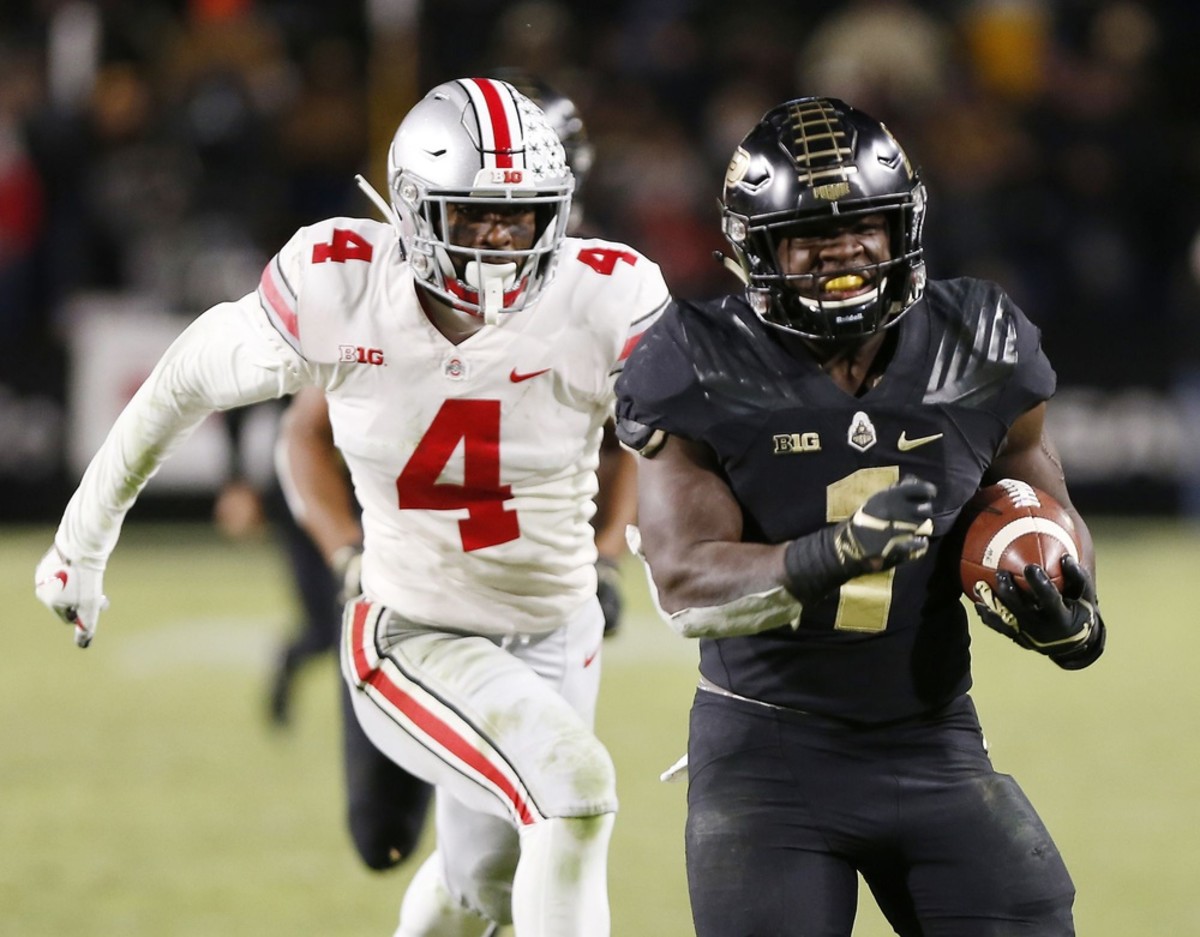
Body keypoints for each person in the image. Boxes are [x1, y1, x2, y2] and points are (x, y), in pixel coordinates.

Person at [35, 77, 670, 937]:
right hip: (415, 626)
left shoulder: (604, 293)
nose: (497, 240)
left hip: (556, 626)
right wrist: (83, 539)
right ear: (410, 210)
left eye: (519, 217)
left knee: (481, 883)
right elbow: (186, 376)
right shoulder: (344, 284)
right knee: (576, 790)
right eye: (472, 214)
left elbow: (696, 432)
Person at [615, 95, 1106, 937]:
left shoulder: (979, 342)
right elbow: (687, 581)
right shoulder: (695, 358)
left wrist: (1069, 606)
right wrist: (835, 551)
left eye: (864, 225)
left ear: (902, 228)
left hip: (933, 738)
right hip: (769, 755)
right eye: (809, 233)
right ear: (753, 247)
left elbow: (1041, 499)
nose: (844, 251)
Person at [265, 73, 636, 879]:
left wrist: (606, 550)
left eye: (528, 194)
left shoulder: (597, 286)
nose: (501, 226)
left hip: (527, 589)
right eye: (481, 200)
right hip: (413, 592)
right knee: (382, 836)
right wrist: (346, 555)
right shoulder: (392, 274)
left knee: (523, 820)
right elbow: (302, 437)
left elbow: (636, 441)